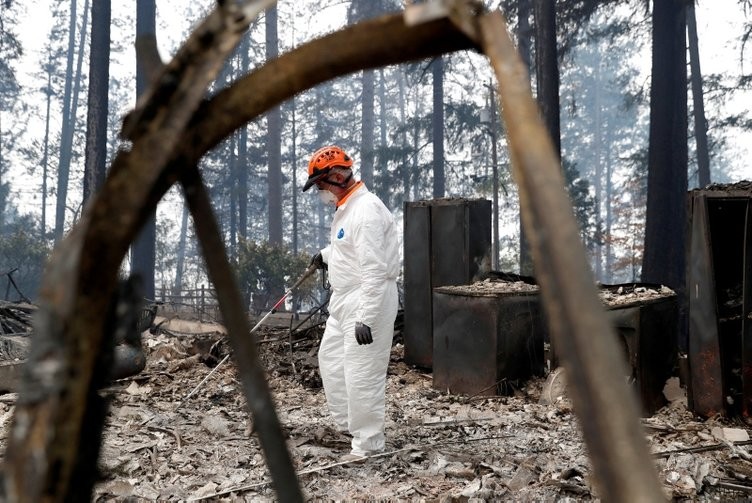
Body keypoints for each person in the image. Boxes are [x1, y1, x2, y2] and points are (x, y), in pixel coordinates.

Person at [302, 145, 401, 462]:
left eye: (320, 185)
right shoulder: (348, 209)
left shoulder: (367, 210)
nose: (320, 192)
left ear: (337, 176)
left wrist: (367, 317)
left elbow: (373, 268)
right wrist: (325, 256)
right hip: (344, 298)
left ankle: (368, 443)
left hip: (367, 297)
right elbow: (348, 249)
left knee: (362, 373)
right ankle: (350, 426)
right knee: (330, 361)